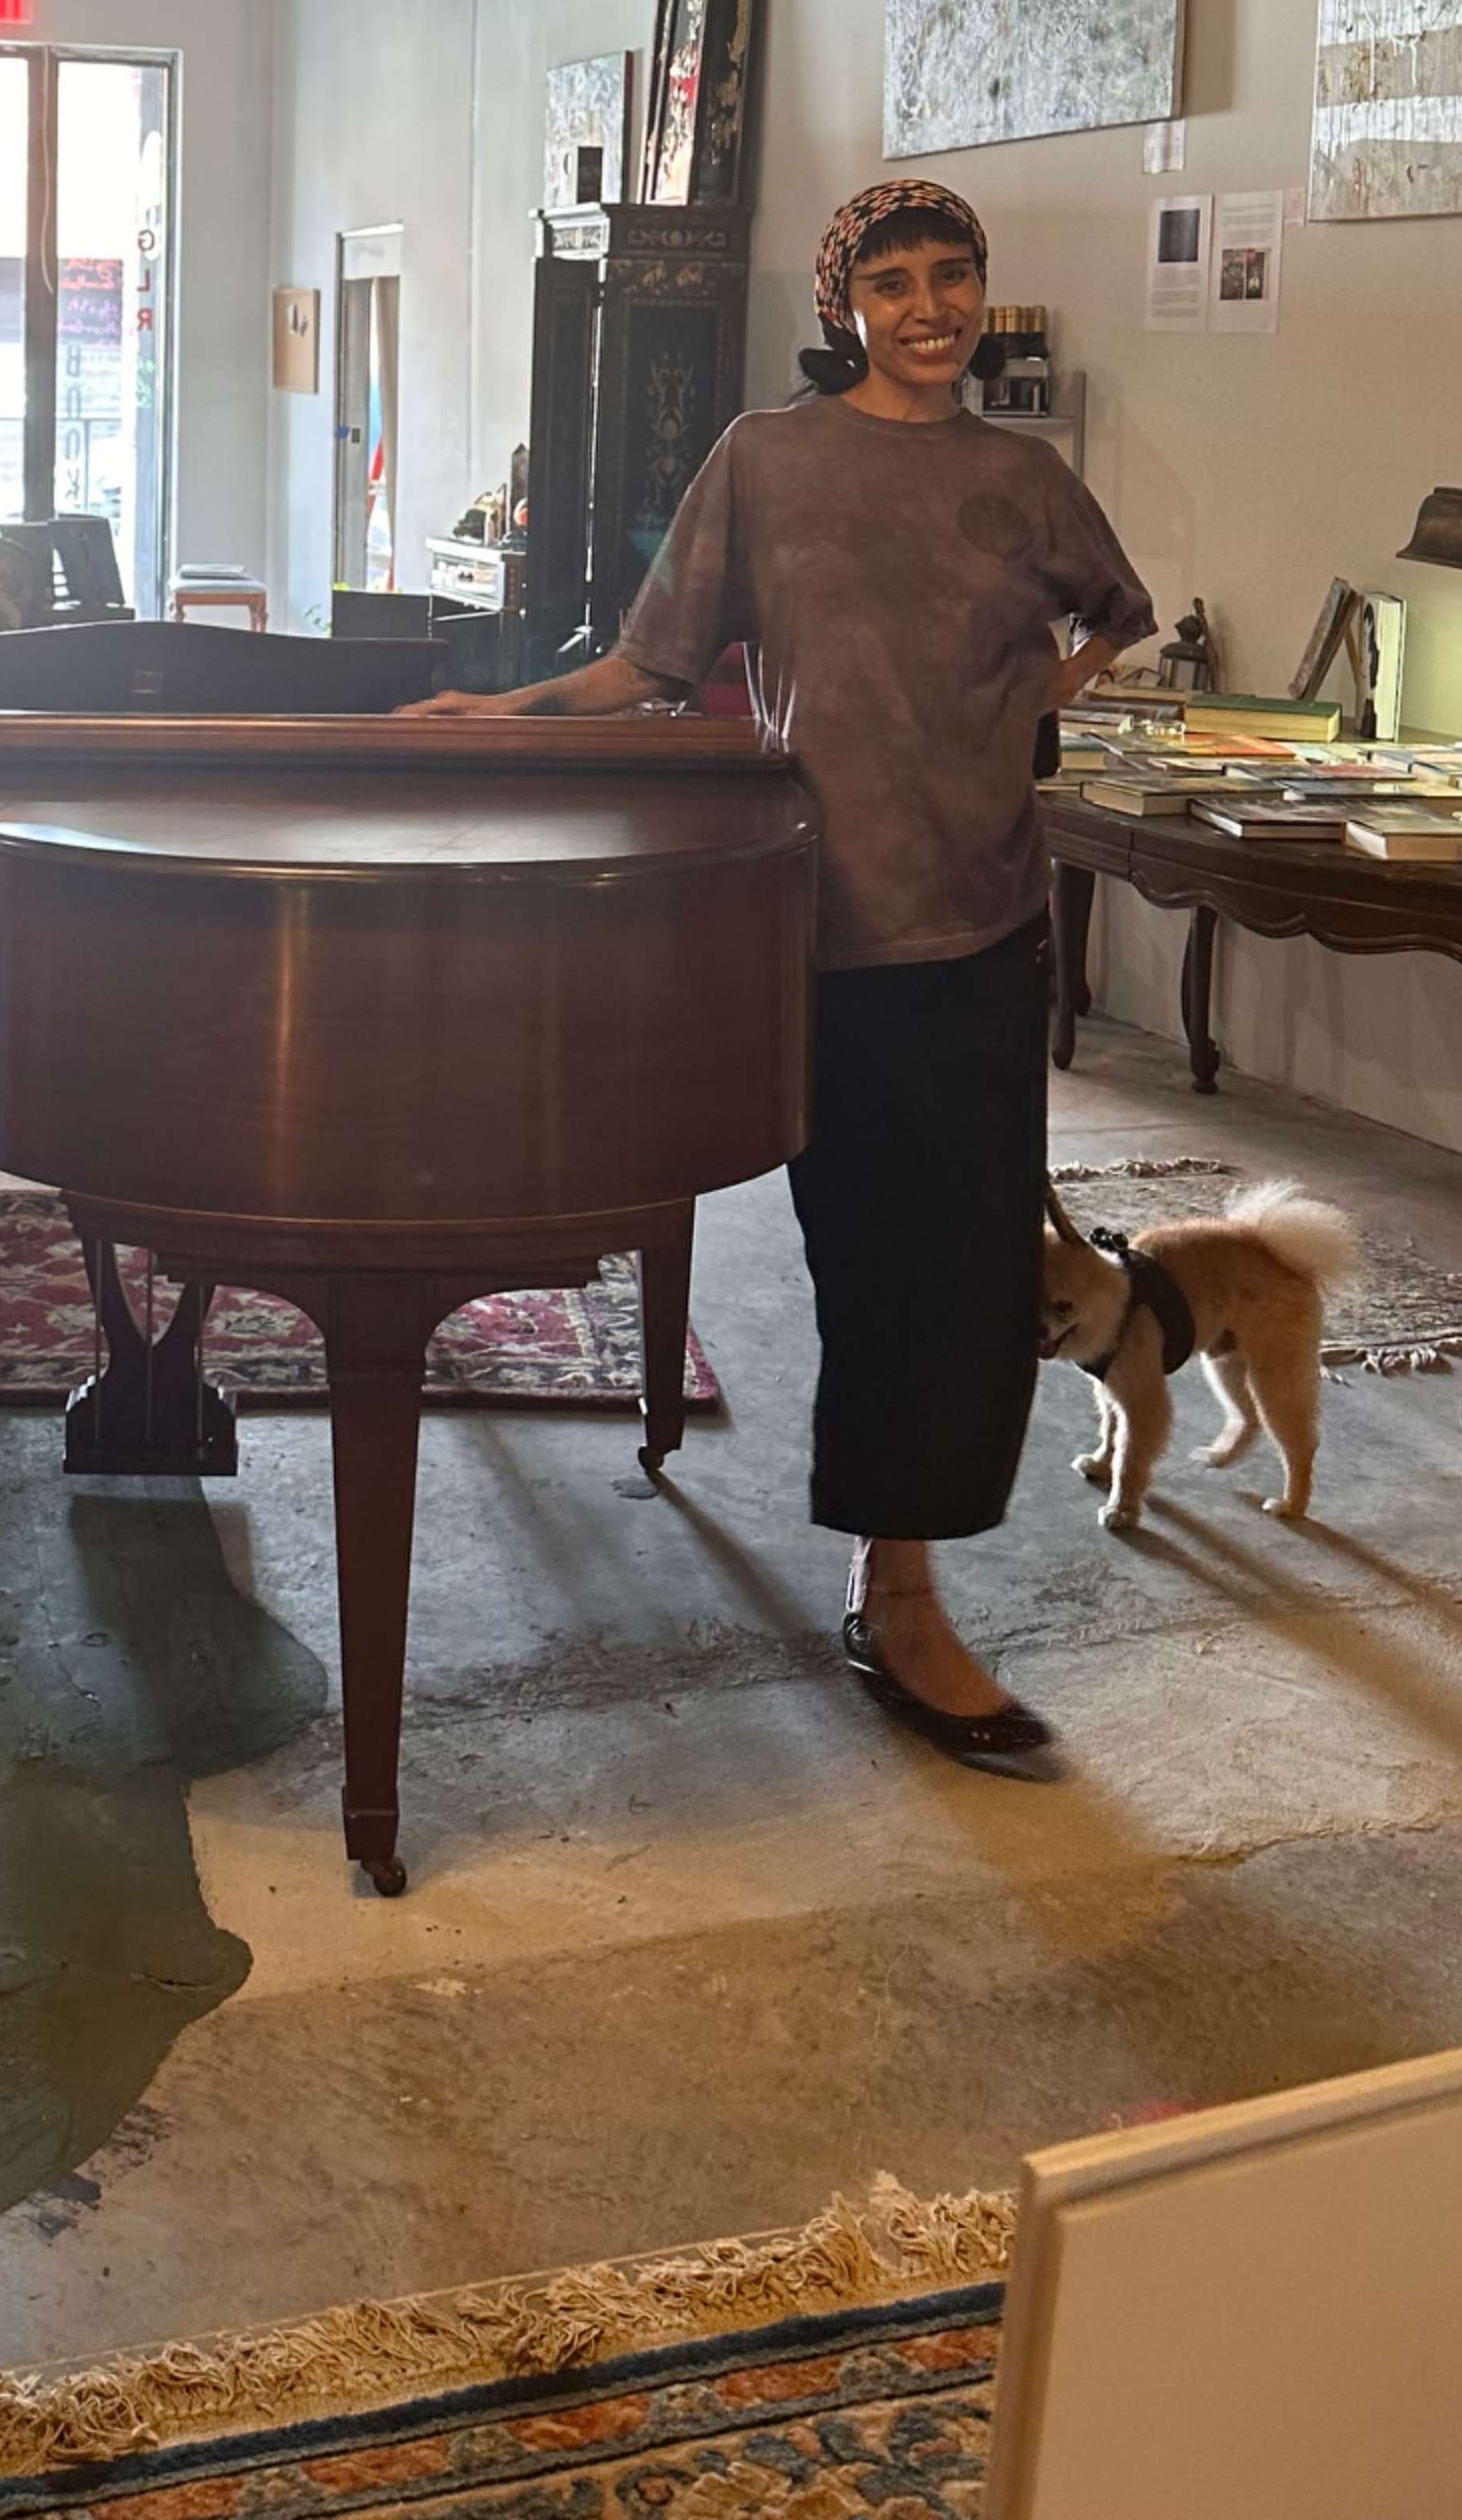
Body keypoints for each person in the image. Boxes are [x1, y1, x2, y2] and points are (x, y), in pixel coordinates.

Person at [414, 180, 1153, 1760]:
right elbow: (650, 661)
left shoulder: (1024, 482)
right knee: (869, 1261)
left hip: (984, 922)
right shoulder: (768, 458)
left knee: (965, 1274)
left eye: (953, 276)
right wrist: (512, 712)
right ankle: (890, 1585)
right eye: (892, 283)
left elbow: (1119, 614)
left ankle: (904, 1593)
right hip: (811, 922)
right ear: (846, 308)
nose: (928, 307)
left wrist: (1034, 695)